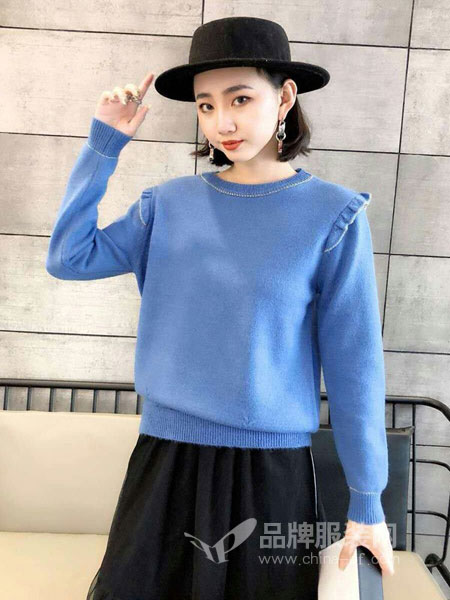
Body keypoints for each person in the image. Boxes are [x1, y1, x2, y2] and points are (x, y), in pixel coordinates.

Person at [46, 16, 395, 600]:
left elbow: (355, 365)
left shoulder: (332, 216)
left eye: (240, 98)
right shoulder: (166, 205)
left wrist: (367, 501)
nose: (222, 122)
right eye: (206, 106)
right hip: (166, 461)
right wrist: (103, 146)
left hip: (271, 473)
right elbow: (68, 257)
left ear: (285, 97)